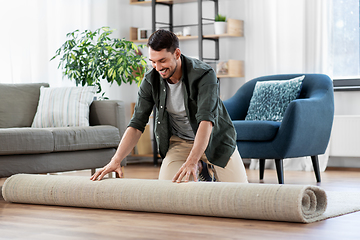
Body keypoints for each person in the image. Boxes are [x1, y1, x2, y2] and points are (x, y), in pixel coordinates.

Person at [90, 29, 248, 183]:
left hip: (216, 140)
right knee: (168, 194)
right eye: (153, 62)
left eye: (162, 60)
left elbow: (206, 121)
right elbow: (137, 124)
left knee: (239, 195)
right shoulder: (151, 80)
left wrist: (191, 161)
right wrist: (116, 160)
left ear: (177, 54)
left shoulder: (204, 74)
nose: (158, 68)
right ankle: (201, 167)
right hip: (180, 143)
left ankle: (200, 163)